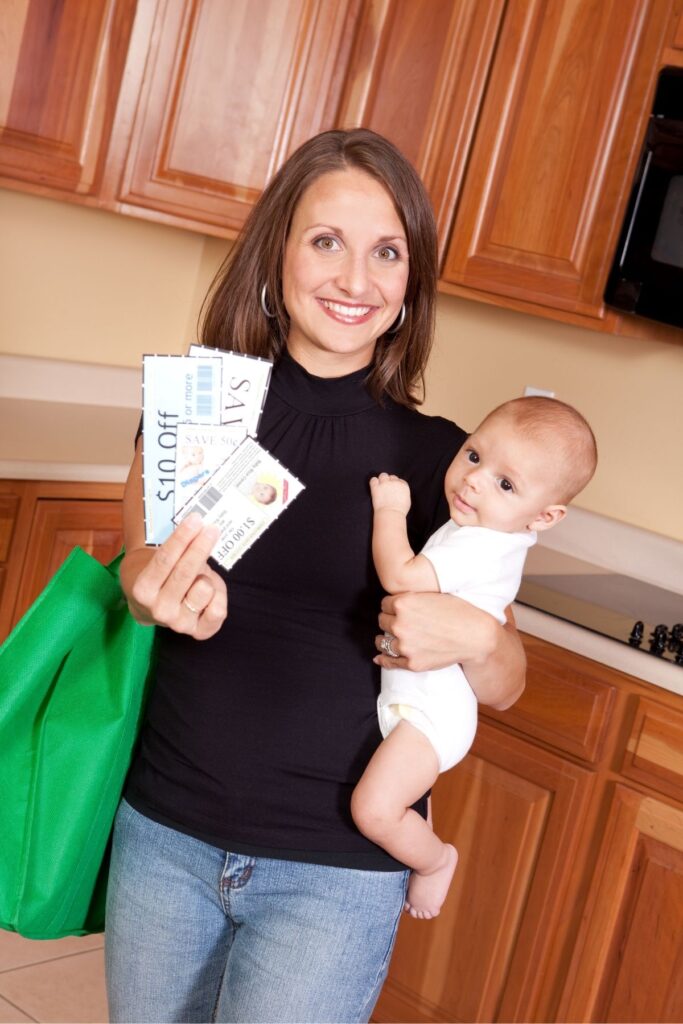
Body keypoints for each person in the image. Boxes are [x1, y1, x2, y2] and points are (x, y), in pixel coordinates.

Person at [105, 128, 527, 1024]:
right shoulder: (194, 412)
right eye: (325, 241)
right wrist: (143, 587)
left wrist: (479, 636)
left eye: (385, 253)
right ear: (278, 254)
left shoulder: (447, 463)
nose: (353, 280)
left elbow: (506, 682)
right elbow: (134, 570)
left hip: (334, 873)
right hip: (164, 834)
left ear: (409, 287)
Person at [352, 396, 597, 921]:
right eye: (474, 456)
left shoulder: (484, 545)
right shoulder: (483, 532)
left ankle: (437, 860)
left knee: (374, 811)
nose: (474, 481)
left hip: (432, 717)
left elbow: (401, 578)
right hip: (420, 708)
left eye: (506, 485)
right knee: (387, 798)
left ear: (546, 516)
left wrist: (391, 511)